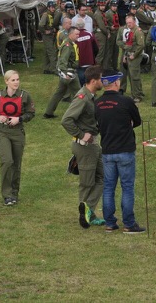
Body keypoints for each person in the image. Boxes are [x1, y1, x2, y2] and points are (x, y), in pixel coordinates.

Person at [95, 69, 145, 234]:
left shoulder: (97, 103)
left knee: (108, 187)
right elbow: (137, 121)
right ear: (116, 82)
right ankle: (129, 224)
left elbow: (97, 123)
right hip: (125, 150)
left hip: (107, 150)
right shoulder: (125, 101)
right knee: (127, 187)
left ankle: (110, 223)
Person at [61, 65, 105, 229]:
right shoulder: (82, 98)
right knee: (87, 183)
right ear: (93, 81)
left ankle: (88, 210)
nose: (103, 82)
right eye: (101, 79)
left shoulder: (90, 96)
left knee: (103, 177)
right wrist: (81, 135)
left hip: (93, 146)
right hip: (85, 147)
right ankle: (85, 216)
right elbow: (66, 120)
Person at [0, 70, 36, 206]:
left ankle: (14, 193)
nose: (16, 82)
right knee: (7, 161)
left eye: (17, 79)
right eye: (13, 80)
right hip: (3, 132)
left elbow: (31, 113)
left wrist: (19, 119)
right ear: (6, 81)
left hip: (18, 132)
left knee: (16, 164)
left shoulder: (25, 96)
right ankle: (7, 195)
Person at [43, 27, 82, 118]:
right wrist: (65, 73)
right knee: (79, 94)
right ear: (70, 34)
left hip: (67, 73)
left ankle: (48, 113)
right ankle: (79, 113)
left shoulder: (69, 43)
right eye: (76, 34)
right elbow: (63, 61)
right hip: (69, 73)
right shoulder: (68, 46)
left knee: (59, 93)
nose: (78, 36)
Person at [118, 15, 145, 102]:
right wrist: (125, 56)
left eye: (130, 22)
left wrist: (135, 55)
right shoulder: (131, 31)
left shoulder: (137, 31)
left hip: (134, 56)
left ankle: (137, 95)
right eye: (127, 23)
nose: (128, 24)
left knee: (134, 76)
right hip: (130, 55)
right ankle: (136, 93)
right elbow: (128, 45)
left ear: (134, 22)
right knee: (132, 75)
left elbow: (141, 45)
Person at [74, 18, 99, 86]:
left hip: (80, 62)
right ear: (84, 25)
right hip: (89, 61)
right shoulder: (89, 34)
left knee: (81, 81)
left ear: (76, 26)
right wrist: (93, 56)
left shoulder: (75, 36)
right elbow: (96, 47)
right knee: (90, 81)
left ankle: (83, 91)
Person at [39, 0, 59, 74]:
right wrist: (45, 31)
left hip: (51, 35)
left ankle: (46, 68)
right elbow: (40, 25)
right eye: (52, 7)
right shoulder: (45, 15)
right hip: (47, 36)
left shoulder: (52, 14)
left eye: (54, 7)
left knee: (47, 53)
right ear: (48, 7)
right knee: (52, 52)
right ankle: (54, 69)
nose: (53, 8)